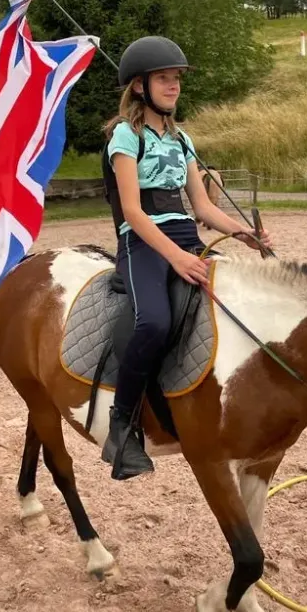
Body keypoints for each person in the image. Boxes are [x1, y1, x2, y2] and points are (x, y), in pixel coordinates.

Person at [100, 36, 273, 480]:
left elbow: (203, 207)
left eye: (176, 78)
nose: (174, 86)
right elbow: (134, 212)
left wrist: (244, 233)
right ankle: (122, 426)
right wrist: (176, 257)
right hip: (143, 243)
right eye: (164, 78)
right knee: (154, 321)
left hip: (185, 235)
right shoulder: (125, 136)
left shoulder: (182, 139)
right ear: (140, 86)